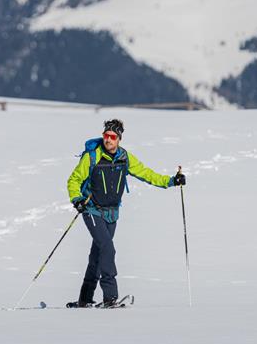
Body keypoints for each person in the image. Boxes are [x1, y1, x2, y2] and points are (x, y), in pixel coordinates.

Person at [66, 118, 185, 308]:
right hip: (91, 210)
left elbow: (147, 174)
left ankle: (85, 299)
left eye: (112, 136)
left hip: (112, 213)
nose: (108, 140)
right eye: (106, 136)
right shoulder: (92, 157)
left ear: (119, 138)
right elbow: (73, 180)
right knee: (107, 249)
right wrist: (77, 199)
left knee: (98, 255)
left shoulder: (125, 158)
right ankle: (110, 297)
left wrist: (171, 181)